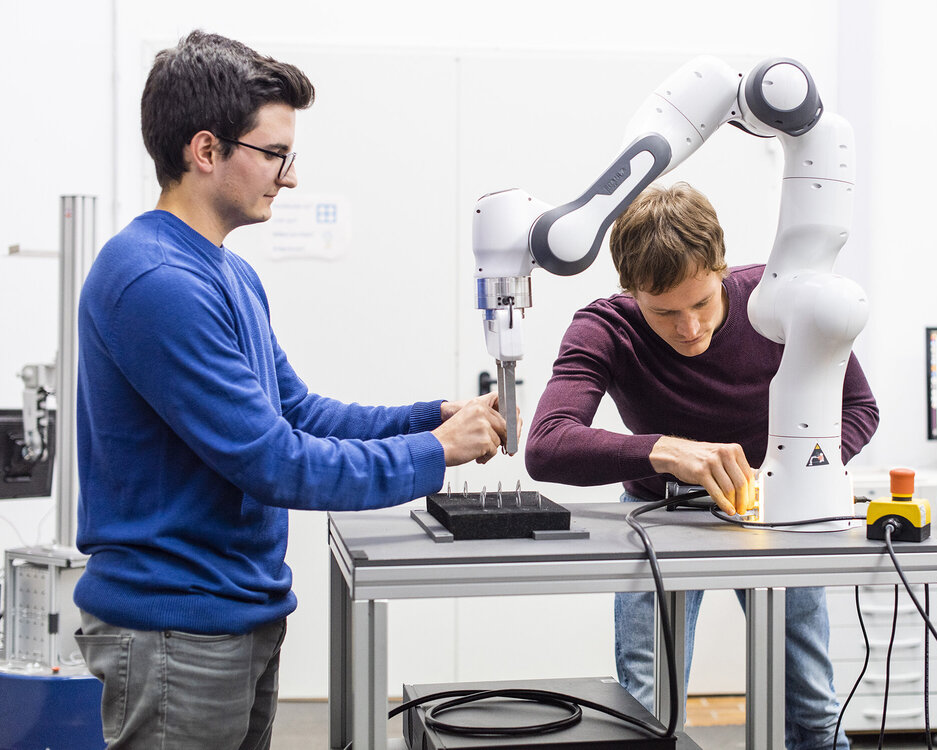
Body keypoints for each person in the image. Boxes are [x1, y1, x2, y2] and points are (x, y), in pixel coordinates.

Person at [72, 31, 511, 750]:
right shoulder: (155, 281)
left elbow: (299, 412)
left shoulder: (227, 274)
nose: (292, 176)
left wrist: (432, 416)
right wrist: (434, 453)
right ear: (205, 151)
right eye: (275, 154)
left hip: (237, 611)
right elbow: (274, 461)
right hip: (175, 626)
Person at [525, 181, 879, 750]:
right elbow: (546, 445)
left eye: (701, 304)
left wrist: (789, 475)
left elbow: (859, 407)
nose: (689, 329)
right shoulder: (606, 328)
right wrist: (662, 450)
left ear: (721, 269)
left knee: (813, 709)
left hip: (780, 513)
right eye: (664, 312)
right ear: (630, 291)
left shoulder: (784, 302)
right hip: (658, 517)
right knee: (648, 713)